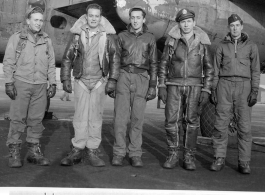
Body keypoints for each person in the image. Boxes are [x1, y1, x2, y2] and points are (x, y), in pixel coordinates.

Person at [60, 4, 120, 167]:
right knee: (80, 118)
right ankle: (77, 148)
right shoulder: (77, 36)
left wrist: (112, 80)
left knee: (95, 118)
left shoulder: (108, 37)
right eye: (91, 16)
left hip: (99, 82)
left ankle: (92, 150)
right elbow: (67, 58)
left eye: (96, 16)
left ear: (100, 18)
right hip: (81, 81)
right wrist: (66, 79)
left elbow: (115, 59)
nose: (93, 19)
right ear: (86, 17)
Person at [158, 8, 214, 170]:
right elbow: (163, 65)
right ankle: (173, 153)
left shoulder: (202, 43)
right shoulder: (172, 41)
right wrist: (161, 85)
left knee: (192, 122)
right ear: (179, 24)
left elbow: (209, 69)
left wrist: (206, 90)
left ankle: (189, 156)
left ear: (194, 23)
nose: (186, 24)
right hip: (174, 85)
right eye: (183, 22)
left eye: (189, 21)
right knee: (171, 121)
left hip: (194, 86)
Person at [3, 6, 56, 168]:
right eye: (35, 20)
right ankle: (14, 151)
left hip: (40, 86)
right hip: (22, 84)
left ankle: (34, 151)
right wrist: (9, 82)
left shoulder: (47, 40)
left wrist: (53, 82)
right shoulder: (17, 38)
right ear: (28, 21)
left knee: (36, 120)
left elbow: (51, 64)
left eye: (41, 20)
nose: (39, 23)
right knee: (17, 119)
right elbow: (9, 61)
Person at [210, 14, 260, 174]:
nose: (235, 28)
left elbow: (255, 71)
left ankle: (244, 162)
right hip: (224, 85)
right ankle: (219, 158)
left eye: (237, 25)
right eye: (232, 26)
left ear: (242, 26)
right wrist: (214, 89)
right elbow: (216, 70)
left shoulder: (251, 46)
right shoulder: (221, 46)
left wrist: (254, 90)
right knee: (220, 124)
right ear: (229, 27)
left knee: (244, 127)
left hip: (244, 87)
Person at [112, 6, 158, 167]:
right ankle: (118, 152)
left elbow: (153, 63)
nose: (135, 20)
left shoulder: (150, 38)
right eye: (133, 17)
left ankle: (135, 154)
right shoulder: (122, 36)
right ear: (129, 19)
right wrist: (113, 80)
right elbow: (115, 60)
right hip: (124, 76)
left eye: (139, 17)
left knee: (137, 119)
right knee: (120, 119)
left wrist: (153, 85)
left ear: (144, 19)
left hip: (141, 78)